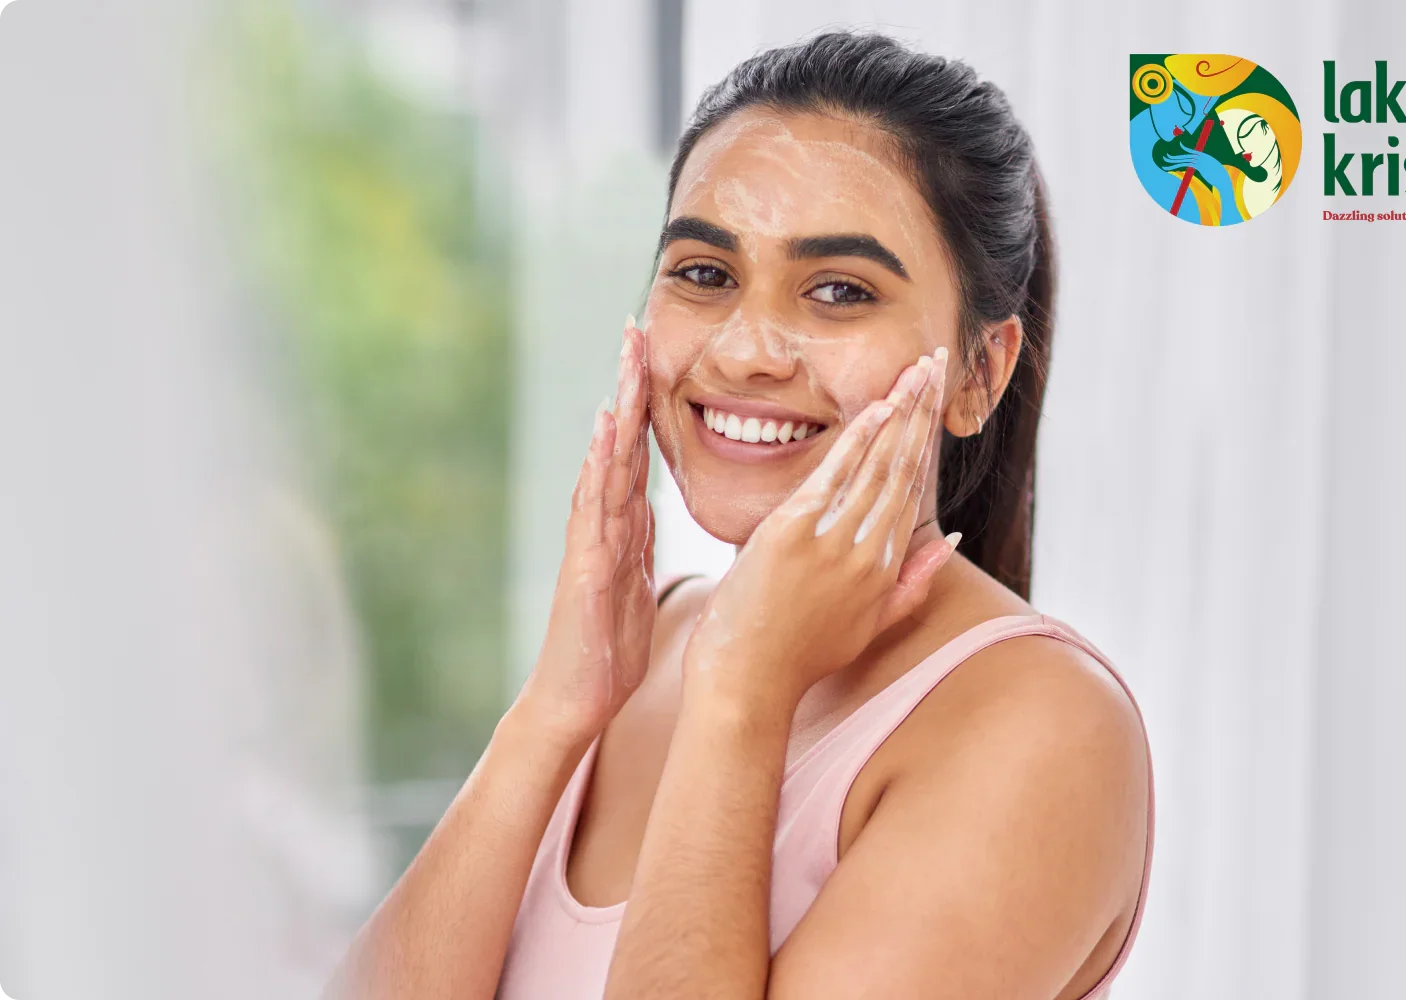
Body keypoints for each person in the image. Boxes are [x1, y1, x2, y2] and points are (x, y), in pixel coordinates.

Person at [328, 30, 1153, 1000]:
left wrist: (741, 694)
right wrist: (552, 714)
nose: (746, 350)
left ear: (980, 372)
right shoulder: (639, 646)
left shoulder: (1041, 726)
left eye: (839, 290)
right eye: (705, 274)